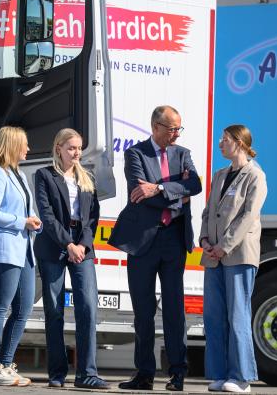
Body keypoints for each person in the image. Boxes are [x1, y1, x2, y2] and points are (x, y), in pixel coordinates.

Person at [108, 105, 202, 391]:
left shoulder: (182, 153)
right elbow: (140, 194)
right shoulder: (135, 154)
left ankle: (177, 373)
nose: (176, 134)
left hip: (174, 240)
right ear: (156, 127)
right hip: (143, 243)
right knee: (144, 311)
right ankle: (144, 374)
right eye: (172, 128)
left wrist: (160, 189)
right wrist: (177, 194)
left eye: (179, 129)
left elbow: (195, 185)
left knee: (175, 310)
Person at [33, 128, 110, 390]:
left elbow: (92, 218)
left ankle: (87, 373)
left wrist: (82, 245)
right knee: (54, 311)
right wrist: (68, 243)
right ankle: (57, 372)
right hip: (54, 245)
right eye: (71, 148)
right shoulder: (44, 175)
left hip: (82, 246)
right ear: (58, 149)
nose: (76, 153)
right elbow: (47, 215)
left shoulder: (87, 177)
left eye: (79, 148)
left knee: (88, 306)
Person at [199, 125, 267, 394]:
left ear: (239, 143)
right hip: (213, 255)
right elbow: (208, 213)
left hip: (238, 255)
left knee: (238, 314)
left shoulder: (255, 176)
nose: (220, 143)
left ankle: (241, 377)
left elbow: (248, 216)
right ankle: (219, 374)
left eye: (225, 140)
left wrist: (224, 246)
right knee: (214, 316)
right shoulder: (219, 175)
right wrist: (205, 240)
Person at [0, 126, 42, 386]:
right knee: (0, 307)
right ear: (13, 145)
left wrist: (32, 222)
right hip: (4, 251)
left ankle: (6, 364)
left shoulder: (20, 175)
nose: (28, 149)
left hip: (24, 251)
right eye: (24, 144)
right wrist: (22, 221)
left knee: (23, 308)